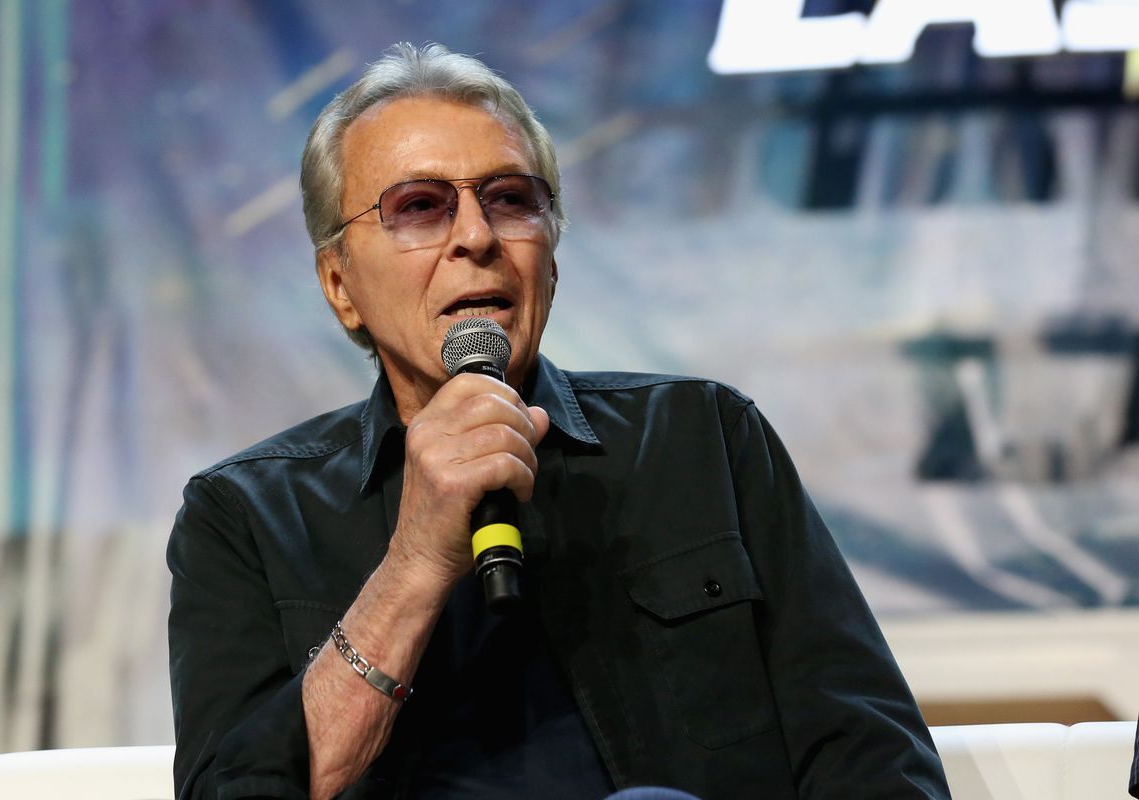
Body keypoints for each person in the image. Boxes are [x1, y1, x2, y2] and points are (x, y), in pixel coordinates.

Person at [167, 42, 950, 800]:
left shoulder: (704, 439)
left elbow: (871, 756)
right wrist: (414, 564)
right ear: (340, 284)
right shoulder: (244, 515)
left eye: (510, 199)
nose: (477, 237)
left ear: (552, 251)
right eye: (420, 207)